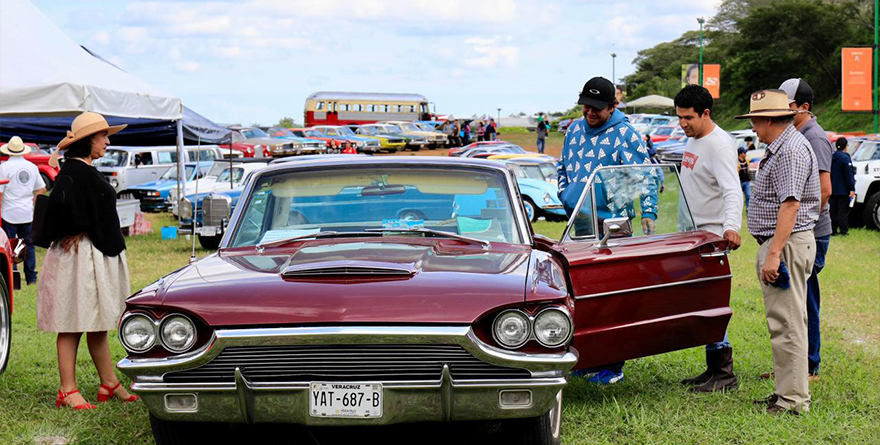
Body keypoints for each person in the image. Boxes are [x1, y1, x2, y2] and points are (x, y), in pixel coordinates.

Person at [558, 76, 657, 385]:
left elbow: (644, 176)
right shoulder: (573, 130)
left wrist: (648, 211)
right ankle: (588, 358)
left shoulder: (626, 134)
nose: (590, 112)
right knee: (580, 292)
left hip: (614, 225)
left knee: (611, 295)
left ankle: (613, 364)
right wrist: (566, 194)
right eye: (586, 106)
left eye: (597, 108)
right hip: (580, 222)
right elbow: (562, 166)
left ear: (613, 106)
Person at [38, 112, 140, 409]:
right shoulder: (73, 171)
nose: (108, 141)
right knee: (71, 322)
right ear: (87, 141)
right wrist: (76, 228)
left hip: (92, 255)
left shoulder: (82, 169)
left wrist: (84, 226)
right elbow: (59, 205)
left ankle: (109, 383)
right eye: (103, 136)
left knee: (96, 323)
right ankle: (67, 390)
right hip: (79, 259)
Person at [736, 89, 820, 415]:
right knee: (786, 322)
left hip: (784, 244)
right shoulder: (785, 146)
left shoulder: (790, 151)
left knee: (788, 325)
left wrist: (774, 254)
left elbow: (791, 204)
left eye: (755, 121)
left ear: (769, 119)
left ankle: (793, 401)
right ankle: (787, 393)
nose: (753, 128)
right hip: (785, 243)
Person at [674, 85, 743, 392]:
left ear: (706, 113)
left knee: (712, 302)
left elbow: (732, 190)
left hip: (711, 238)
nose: (683, 124)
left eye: (688, 118)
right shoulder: (694, 140)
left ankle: (724, 374)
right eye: (679, 117)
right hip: (691, 235)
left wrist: (731, 227)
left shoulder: (720, 145)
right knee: (701, 301)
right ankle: (713, 368)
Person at [778, 78, 833, 380]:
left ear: (804, 107)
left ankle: (809, 364)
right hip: (801, 228)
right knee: (795, 297)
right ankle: (794, 361)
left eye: (787, 106)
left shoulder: (814, 137)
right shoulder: (796, 134)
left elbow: (825, 190)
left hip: (812, 231)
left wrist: (803, 225)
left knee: (806, 297)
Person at [0, 136, 47, 285]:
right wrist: (32, 203)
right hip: (27, 212)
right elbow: (42, 188)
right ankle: (31, 278)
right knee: (29, 246)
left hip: (9, 212)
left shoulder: (4, 167)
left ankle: (13, 277)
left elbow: (0, 192)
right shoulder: (32, 167)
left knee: (10, 246)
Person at [829, 137, 856, 235]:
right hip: (843, 189)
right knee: (843, 212)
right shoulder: (845, 158)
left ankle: (833, 230)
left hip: (832, 189)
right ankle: (844, 231)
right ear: (845, 146)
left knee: (833, 211)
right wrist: (852, 188)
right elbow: (849, 174)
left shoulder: (832, 157)